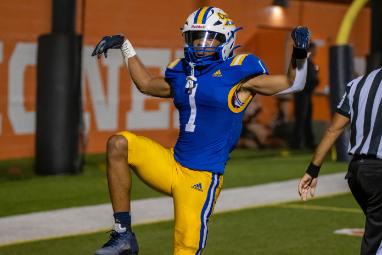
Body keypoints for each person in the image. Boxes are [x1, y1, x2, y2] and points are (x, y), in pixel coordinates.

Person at [92, 6, 310, 255]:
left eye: (209, 38)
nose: (201, 45)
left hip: (201, 179)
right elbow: (146, 84)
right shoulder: (182, 70)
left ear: (227, 39)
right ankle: (123, 234)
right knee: (119, 143)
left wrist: (299, 52)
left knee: (184, 250)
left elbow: (294, 83)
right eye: (195, 37)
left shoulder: (240, 73)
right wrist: (125, 45)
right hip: (171, 163)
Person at [298, 67, 382, 255]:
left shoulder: (359, 84)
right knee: (376, 241)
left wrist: (313, 170)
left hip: (357, 172)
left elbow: (333, 130)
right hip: (378, 172)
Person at [291, 42, 319, 150]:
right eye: (315, 49)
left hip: (306, 95)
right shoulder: (304, 62)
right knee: (301, 119)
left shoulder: (309, 63)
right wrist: (315, 81)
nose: (316, 52)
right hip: (302, 95)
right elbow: (306, 81)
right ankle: (296, 143)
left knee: (306, 119)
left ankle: (308, 142)